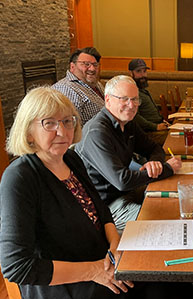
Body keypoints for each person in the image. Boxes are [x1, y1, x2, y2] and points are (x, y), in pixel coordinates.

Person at [0, 87, 133, 299]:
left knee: (169, 283)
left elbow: (102, 211)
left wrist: (116, 246)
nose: (62, 131)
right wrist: (96, 270)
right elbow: (17, 266)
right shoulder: (19, 178)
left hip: (103, 263)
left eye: (67, 121)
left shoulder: (71, 159)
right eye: (49, 123)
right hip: (64, 287)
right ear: (28, 132)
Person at [75, 75, 181, 231]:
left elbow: (154, 148)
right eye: (124, 99)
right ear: (108, 99)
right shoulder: (97, 132)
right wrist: (167, 169)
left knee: (179, 204)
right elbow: (122, 181)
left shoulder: (128, 122)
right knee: (164, 225)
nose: (131, 105)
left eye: (135, 99)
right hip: (106, 206)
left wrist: (155, 164)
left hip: (126, 192)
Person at [52, 47, 105, 126]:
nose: (92, 69)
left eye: (95, 64)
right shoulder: (66, 89)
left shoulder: (95, 83)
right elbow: (71, 127)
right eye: (86, 64)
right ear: (72, 67)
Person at [128, 58, 169, 145]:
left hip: (156, 128)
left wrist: (162, 121)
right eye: (138, 71)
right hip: (148, 133)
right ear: (131, 73)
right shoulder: (132, 92)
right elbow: (135, 117)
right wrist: (156, 127)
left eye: (144, 71)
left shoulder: (143, 90)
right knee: (175, 139)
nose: (143, 75)